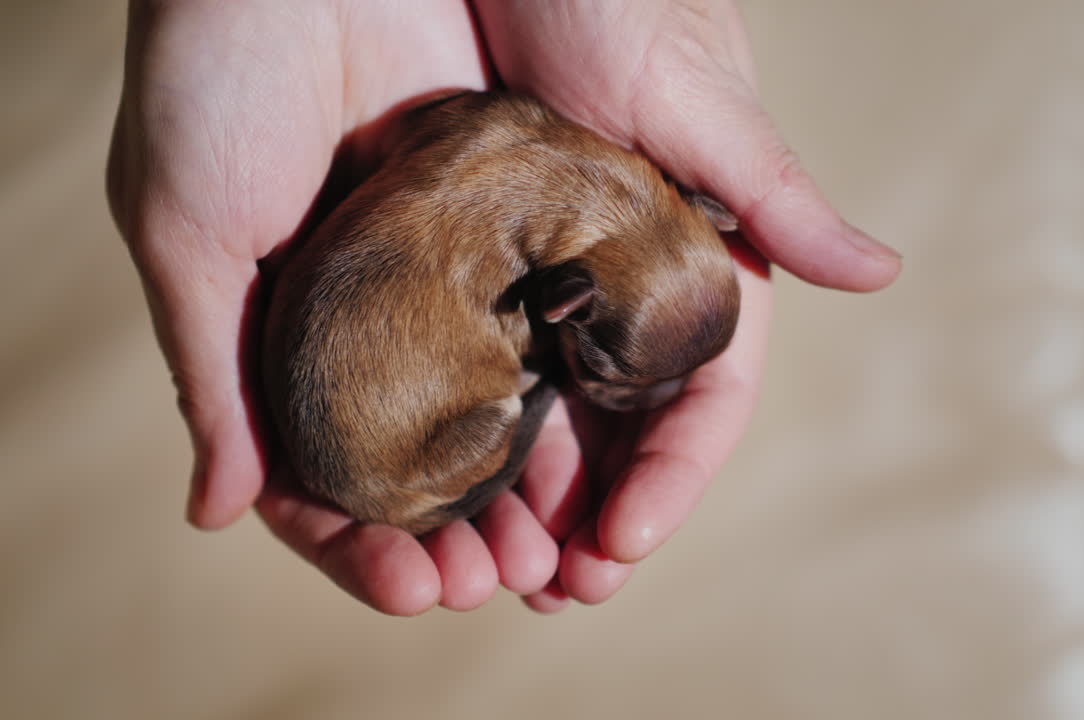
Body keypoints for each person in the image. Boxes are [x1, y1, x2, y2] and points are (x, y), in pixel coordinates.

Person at [106, 0, 902, 615]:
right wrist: (538, 384)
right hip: (401, 456)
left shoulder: (506, 124)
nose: (615, 392)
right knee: (498, 442)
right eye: (605, 367)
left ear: (698, 205)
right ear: (565, 301)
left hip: (353, 374)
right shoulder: (511, 274)